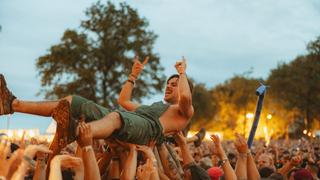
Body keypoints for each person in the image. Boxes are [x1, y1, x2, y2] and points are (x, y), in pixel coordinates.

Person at [0, 56, 194, 154]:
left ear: (184, 87)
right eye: (168, 84)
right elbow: (123, 101)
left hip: (148, 130)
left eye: (174, 85)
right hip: (131, 119)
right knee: (73, 102)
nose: (168, 87)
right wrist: (133, 75)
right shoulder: (153, 106)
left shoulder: (183, 111)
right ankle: (12, 104)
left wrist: (182, 73)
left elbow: (185, 97)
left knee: (116, 117)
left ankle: (73, 130)